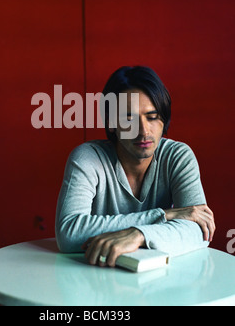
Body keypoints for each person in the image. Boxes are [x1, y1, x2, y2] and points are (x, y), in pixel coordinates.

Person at [55, 66, 216, 268]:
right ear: (111, 123)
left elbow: (200, 231)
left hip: (159, 281)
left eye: (152, 117)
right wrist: (163, 215)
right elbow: (69, 233)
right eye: (129, 118)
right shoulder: (88, 158)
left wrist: (139, 234)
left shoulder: (178, 156)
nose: (143, 131)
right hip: (93, 278)